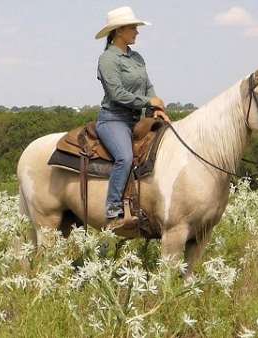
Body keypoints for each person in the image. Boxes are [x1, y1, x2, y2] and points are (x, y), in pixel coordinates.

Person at [94, 6, 170, 228]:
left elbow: (148, 86)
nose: (137, 32)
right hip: (113, 119)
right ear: (119, 31)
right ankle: (113, 209)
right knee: (125, 158)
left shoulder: (136, 57)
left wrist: (157, 109)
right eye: (133, 28)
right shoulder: (107, 59)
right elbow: (116, 94)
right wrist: (148, 102)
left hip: (137, 119)